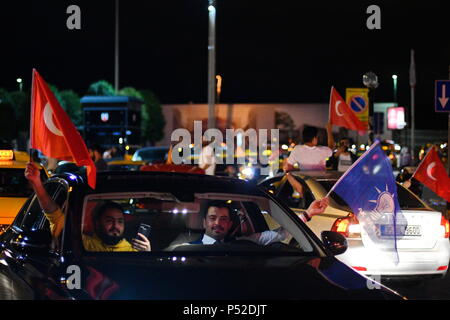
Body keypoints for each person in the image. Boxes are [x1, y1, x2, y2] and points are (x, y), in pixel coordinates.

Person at [24, 162, 151, 252]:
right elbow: (53, 212)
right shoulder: (82, 243)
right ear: (97, 223)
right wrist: (36, 183)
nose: (115, 226)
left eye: (120, 221)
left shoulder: (132, 250)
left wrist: (147, 254)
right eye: (109, 220)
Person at [190, 198, 329, 245]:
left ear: (230, 224)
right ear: (204, 222)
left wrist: (308, 213)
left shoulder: (244, 243)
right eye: (212, 218)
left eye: (224, 219)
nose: (218, 223)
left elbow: (280, 234)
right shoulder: (185, 249)